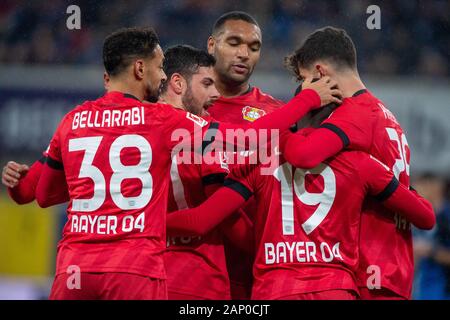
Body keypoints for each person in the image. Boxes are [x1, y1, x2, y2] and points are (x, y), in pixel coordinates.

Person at [33, 26, 340, 300]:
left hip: (74, 267)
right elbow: (247, 139)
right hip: (139, 269)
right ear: (140, 69)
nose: (162, 75)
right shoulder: (164, 121)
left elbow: (44, 195)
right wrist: (308, 98)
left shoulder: (73, 119)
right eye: (158, 68)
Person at [164, 106, 434, 300]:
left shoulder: (262, 159)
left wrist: (145, 222)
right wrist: (406, 188)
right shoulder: (362, 165)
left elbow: (202, 219)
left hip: (274, 287)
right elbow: (425, 217)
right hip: (335, 287)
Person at [281, 26, 414, 299]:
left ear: (320, 73)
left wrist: (290, 118)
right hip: (395, 268)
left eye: (307, 80)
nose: (307, 89)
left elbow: (303, 155)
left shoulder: (354, 115)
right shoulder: (387, 116)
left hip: (368, 269)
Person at [159, 45, 252, 300]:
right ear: (177, 83)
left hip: (142, 273)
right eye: (207, 83)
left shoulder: (137, 127)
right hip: (197, 277)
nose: (216, 93)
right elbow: (214, 217)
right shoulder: (205, 133)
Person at [205, 10, 285, 299]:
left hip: (249, 274)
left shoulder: (275, 113)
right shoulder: (180, 104)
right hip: (188, 264)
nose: (244, 54)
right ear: (212, 45)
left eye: (253, 48)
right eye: (235, 43)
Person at [413, 173, 450, 299]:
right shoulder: (418, 219)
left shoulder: (447, 217)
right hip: (421, 292)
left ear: (434, 187)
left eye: (420, 186)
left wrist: (430, 250)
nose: (414, 191)